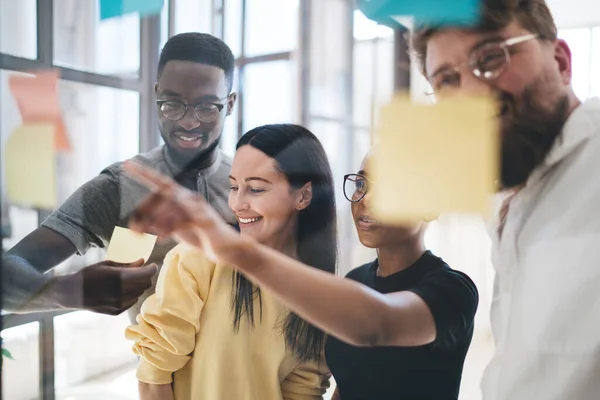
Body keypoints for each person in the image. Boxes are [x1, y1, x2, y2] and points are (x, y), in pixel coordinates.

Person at [124, 145, 479, 400]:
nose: (365, 200)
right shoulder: (353, 281)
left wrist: (233, 249)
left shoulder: (453, 291)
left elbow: (376, 325)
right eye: (361, 184)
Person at [409, 1, 600, 399]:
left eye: (491, 57)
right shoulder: (507, 200)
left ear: (562, 61)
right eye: (447, 81)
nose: (472, 95)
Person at [1, 33, 237, 319]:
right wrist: (68, 292)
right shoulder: (121, 188)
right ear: (156, 95)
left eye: (207, 107)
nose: (188, 121)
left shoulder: (254, 185)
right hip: (158, 364)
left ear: (231, 103)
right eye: (172, 104)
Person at [125, 124, 336, 400]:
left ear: (303, 195)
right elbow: (154, 379)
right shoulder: (198, 258)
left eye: (256, 189)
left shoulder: (319, 293)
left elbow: (303, 392)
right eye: (234, 186)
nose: (237, 203)